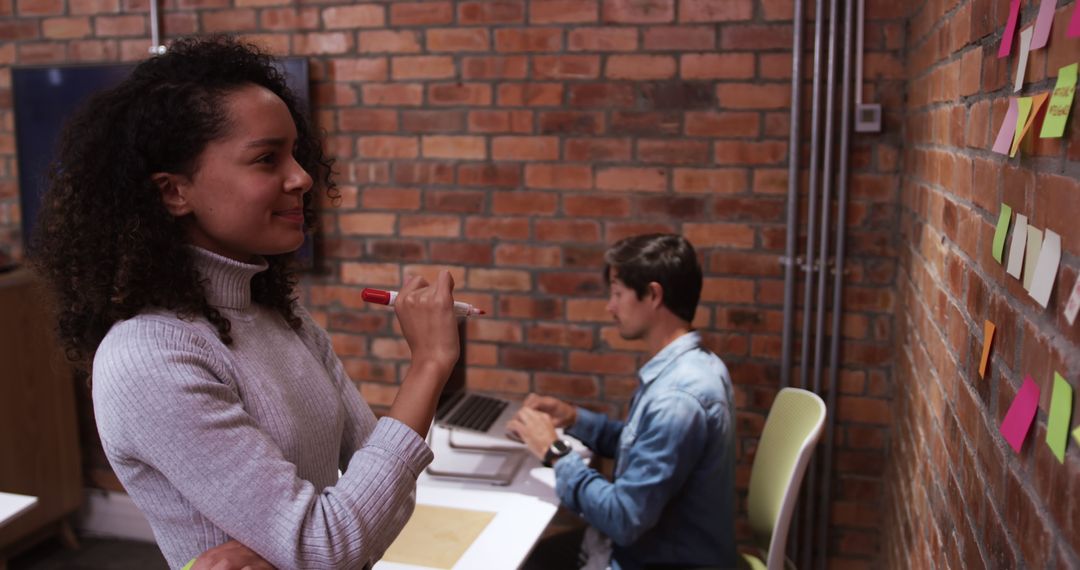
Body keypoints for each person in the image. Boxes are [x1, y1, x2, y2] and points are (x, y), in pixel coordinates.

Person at [31, 35, 460, 569]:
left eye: (296, 155)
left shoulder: (281, 315)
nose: (302, 177)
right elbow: (331, 545)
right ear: (173, 192)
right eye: (266, 159)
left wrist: (330, 533)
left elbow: (383, 492)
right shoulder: (148, 359)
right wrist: (429, 363)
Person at [508, 233, 736, 570]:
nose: (610, 306)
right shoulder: (693, 367)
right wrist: (573, 418)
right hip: (649, 545)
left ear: (653, 295)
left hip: (655, 558)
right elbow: (642, 444)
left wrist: (554, 451)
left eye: (617, 293)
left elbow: (624, 518)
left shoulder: (678, 398)